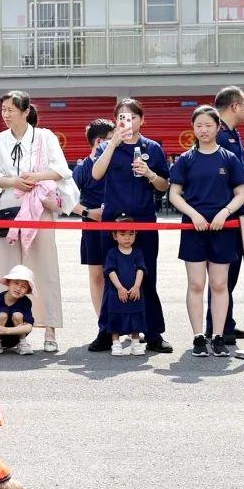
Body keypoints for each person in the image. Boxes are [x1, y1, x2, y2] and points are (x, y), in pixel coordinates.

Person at [0, 90, 75, 353]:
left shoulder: (44, 137)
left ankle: (49, 328)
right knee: (9, 271)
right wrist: (14, 181)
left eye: (11, 109)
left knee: (44, 267)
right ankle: (5, 333)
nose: (6, 114)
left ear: (25, 112)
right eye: (3, 110)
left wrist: (35, 178)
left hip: (38, 207)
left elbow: (61, 170)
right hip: (10, 206)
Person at [91, 98, 173, 353]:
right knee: (111, 275)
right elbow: (96, 174)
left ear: (142, 120)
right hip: (113, 221)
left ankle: (153, 333)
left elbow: (164, 185)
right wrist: (113, 142)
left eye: (132, 117)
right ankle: (107, 331)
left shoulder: (153, 148)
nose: (127, 121)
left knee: (146, 274)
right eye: (122, 117)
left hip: (144, 219)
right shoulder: (107, 145)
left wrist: (149, 174)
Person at [168, 105, 244, 358]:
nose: (203, 130)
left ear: (217, 127)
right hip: (194, 228)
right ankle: (198, 337)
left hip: (223, 229)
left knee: (219, 284)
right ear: (193, 128)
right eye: (199, 125)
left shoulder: (229, 158)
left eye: (208, 125)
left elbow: (241, 194)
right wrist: (193, 214)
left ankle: (218, 336)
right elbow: (174, 194)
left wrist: (225, 212)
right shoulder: (185, 159)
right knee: (196, 284)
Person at [208, 86, 244, 344]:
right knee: (221, 276)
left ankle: (226, 322)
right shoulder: (219, 135)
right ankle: (217, 327)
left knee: (231, 274)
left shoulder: (232, 133)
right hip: (225, 215)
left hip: (238, 212)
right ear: (234, 105)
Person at [72, 119, 115, 351]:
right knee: (97, 276)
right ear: (99, 142)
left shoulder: (118, 163)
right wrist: (89, 212)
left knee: (119, 275)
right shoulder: (82, 169)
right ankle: (104, 327)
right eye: (110, 139)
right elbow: (65, 199)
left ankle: (122, 325)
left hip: (118, 228)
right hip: (92, 228)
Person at [102, 218, 147, 357]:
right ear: (114, 235)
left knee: (136, 317)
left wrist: (137, 286)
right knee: (115, 317)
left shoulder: (137, 252)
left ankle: (135, 343)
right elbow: (110, 271)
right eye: (122, 234)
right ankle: (116, 343)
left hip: (135, 292)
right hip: (117, 293)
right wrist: (119, 288)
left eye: (131, 233)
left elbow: (141, 269)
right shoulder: (112, 253)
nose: (127, 238)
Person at [0, 265, 35, 356]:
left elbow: (29, 327)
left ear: (27, 291)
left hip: (16, 336)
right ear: (8, 282)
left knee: (18, 315)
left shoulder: (26, 302)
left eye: (23, 286)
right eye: (16, 283)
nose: (18, 288)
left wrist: (5, 330)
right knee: (3, 314)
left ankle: (22, 343)